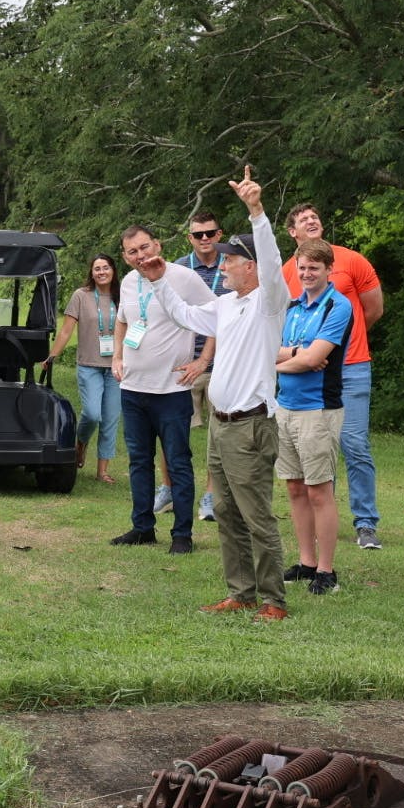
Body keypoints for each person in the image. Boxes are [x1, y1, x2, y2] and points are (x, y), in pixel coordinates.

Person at [140, 166, 291, 621]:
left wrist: (256, 211)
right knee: (226, 512)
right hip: (221, 427)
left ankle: (273, 600)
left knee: (256, 515)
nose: (222, 266)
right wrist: (158, 280)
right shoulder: (226, 304)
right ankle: (240, 592)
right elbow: (185, 315)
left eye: (230, 261)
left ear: (251, 267)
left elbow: (271, 258)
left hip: (250, 425)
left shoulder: (269, 302)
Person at [282, 203, 385, 550]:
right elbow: (284, 324)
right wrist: (302, 355)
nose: (312, 220)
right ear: (292, 232)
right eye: (303, 219)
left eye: (315, 216)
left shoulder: (351, 260)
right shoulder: (288, 271)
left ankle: (365, 523)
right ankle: (323, 522)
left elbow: (373, 309)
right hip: (306, 373)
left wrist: (333, 344)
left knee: (354, 443)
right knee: (316, 449)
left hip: (352, 367)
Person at [110, 225, 214, 554]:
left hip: (172, 390)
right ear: (125, 257)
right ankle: (142, 527)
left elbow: (217, 317)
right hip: (133, 388)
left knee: (178, 462)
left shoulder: (184, 278)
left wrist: (203, 361)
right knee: (139, 462)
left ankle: (182, 534)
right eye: (133, 252)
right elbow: (123, 321)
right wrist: (117, 356)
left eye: (144, 247)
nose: (140, 255)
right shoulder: (128, 282)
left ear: (158, 244)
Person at [276, 239, 353, 596]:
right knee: (294, 488)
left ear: (328, 269)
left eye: (314, 268)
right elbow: (270, 350)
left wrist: (285, 361)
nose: (307, 274)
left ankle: (326, 570)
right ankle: (306, 562)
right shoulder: (292, 306)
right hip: (285, 406)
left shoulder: (338, 306)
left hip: (317, 409)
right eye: (302, 268)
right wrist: (297, 355)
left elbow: (314, 359)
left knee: (319, 491)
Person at [43, 254, 123, 485]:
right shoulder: (81, 295)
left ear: (113, 270)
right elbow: (66, 330)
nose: (101, 272)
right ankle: (81, 441)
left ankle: (102, 471)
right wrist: (52, 355)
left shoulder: (123, 296)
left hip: (116, 367)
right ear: (92, 272)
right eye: (97, 268)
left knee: (110, 419)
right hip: (89, 365)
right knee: (92, 414)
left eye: (105, 267)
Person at [175, 211, 230, 521]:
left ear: (219, 234)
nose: (205, 238)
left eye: (210, 233)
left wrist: (206, 358)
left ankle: (210, 496)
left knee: (218, 436)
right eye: (198, 235)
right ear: (190, 238)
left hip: (223, 365)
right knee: (174, 432)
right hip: (185, 364)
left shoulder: (232, 265)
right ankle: (171, 489)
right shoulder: (179, 268)